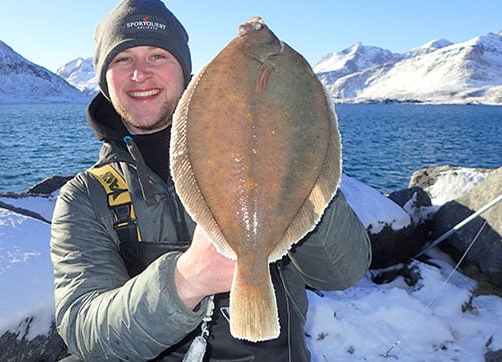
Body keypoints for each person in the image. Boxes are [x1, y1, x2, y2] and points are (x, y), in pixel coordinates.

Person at [50, 0, 372, 360]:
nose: (140, 74)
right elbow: (85, 332)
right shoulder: (86, 196)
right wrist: (185, 281)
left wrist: (295, 157)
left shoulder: (263, 143)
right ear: (104, 80)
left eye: (158, 56)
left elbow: (342, 273)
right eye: (122, 59)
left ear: (185, 72)